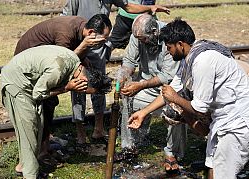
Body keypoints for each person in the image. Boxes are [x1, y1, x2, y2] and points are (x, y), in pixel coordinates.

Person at [128, 18, 249, 179]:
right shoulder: (189, 58)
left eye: (169, 47)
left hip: (238, 121)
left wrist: (176, 100)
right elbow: (172, 90)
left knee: (224, 173)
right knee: (213, 163)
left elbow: (198, 107)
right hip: (223, 119)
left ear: (180, 44)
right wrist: (144, 112)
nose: (167, 51)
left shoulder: (203, 62)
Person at [61, 0, 170, 145]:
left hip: (99, 49)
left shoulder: (167, 36)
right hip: (80, 45)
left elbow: (128, 6)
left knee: (100, 87)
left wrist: (149, 7)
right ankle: (83, 132)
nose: (140, 42)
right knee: (78, 87)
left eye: (142, 39)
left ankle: (99, 129)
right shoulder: (78, 1)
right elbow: (66, 20)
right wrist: (123, 75)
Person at [1, 45, 110, 179]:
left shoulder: (75, 62)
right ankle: (30, 176)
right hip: (17, 83)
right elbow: (38, 94)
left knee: (37, 127)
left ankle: (24, 166)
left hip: (28, 82)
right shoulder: (58, 70)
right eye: (85, 91)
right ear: (84, 80)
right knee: (29, 130)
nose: (82, 92)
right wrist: (66, 88)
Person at [13, 14, 112, 162]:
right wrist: (84, 46)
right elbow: (62, 62)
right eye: (103, 39)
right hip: (27, 66)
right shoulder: (65, 33)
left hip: (46, 63)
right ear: (91, 33)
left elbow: (72, 58)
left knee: (50, 102)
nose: (104, 43)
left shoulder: (82, 29)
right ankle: (37, 153)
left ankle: (44, 146)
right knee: (44, 103)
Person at [116, 14, 186, 173]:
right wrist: (123, 78)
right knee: (127, 97)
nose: (141, 42)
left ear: (155, 32)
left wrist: (140, 85)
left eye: (144, 40)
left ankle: (172, 153)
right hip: (145, 86)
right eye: (139, 39)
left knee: (177, 109)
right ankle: (129, 147)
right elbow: (129, 61)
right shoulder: (138, 35)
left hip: (170, 89)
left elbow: (167, 76)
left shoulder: (170, 36)